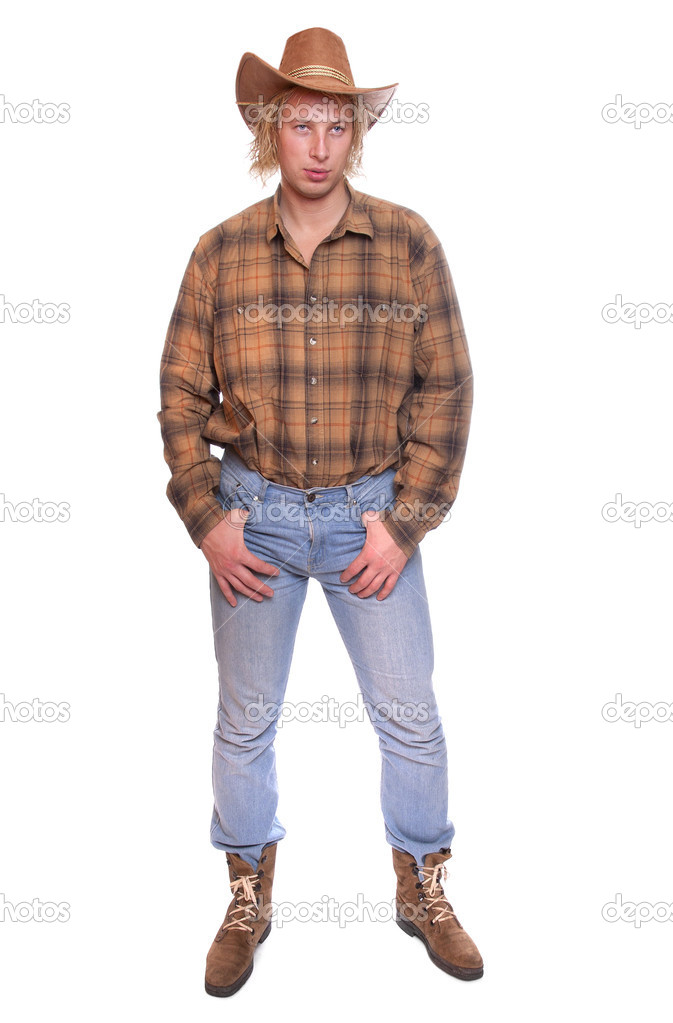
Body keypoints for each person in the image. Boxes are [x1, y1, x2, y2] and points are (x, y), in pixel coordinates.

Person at [157, 26, 483, 997]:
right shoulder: (218, 255)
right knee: (244, 719)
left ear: (354, 135)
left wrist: (403, 520)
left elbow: (447, 390)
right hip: (251, 518)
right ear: (272, 129)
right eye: (298, 123)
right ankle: (248, 898)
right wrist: (208, 518)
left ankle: (420, 889)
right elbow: (178, 399)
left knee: (409, 717)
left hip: (369, 520)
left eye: (333, 125)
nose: (316, 144)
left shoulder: (408, 242)